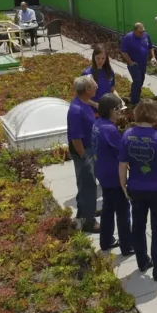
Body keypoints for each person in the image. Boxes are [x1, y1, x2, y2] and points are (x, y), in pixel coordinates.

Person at [119, 99, 157, 281]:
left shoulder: (127, 136)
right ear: (155, 115)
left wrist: (124, 186)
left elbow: (122, 164)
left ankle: (142, 261)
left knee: (138, 225)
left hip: (136, 187)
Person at [92, 93, 132, 254]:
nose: (120, 113)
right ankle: (127, 246)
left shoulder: (97, 124)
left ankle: (106, 240)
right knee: (123, 211)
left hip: (101, 172)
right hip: (113, 176)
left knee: (108, 207)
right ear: (110, 110)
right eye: (118, 110)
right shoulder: (110, 129)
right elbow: (122, 153)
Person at [67, 75, 99, 232]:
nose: (96, 87)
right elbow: (76, 138)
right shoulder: (76, 110)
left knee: (85, 184)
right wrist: (84, 156)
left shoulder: (83, 102)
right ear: (87, 90)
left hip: (88, 149)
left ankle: (84, 213)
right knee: (88, 186)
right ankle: (89, 222)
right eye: (94, 86)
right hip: (83, 152)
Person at [121, 23, 155, 106]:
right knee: (137, 81)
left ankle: (136, 95)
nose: (142, 33)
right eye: (140, 32)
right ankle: (134, 101)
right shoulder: (128, 38)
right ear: (135, 31)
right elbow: (123, 51)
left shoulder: (146, 36)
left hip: (143, 63)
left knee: (141, 80)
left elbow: (151, 47)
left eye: (143, 31)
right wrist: (130, 62)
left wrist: (153, 57)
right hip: (134, 64)